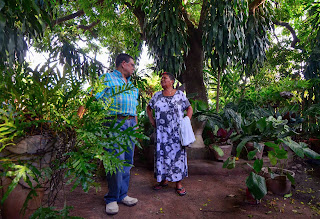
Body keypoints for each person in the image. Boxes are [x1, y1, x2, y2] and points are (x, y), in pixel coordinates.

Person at [96, 53, 139, 215]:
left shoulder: (132, 86)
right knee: (115, 161)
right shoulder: (106, 79)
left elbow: (134, 108)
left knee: (127, 160)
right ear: (123, 64)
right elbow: (94, 97)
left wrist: (135, 125)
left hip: (130, 124)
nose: (133, 68)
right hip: (113, 123)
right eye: (132, 65)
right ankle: (112, 198)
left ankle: (122, 194)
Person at [146, 72, 193, 196]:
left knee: (178, 157)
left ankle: (178, 183)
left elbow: (189, 108)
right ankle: (163, 180)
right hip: (162, 134)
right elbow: (148, 108)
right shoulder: (156, 96)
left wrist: (186, 121)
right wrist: (152, 121)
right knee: (162, 156)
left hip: (177, 133)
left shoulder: (180, 95)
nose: (162, 80)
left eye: (165, 78)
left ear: (172, 81)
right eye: (161, 78)